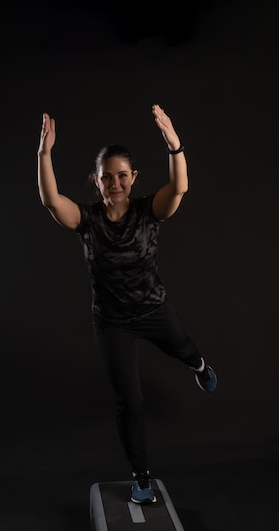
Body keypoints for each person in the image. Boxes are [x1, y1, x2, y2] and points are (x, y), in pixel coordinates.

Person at [37, 104, 217, 505]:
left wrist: (174, 144)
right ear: (96, 182)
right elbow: (52, 201)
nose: (115, 183)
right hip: (112, 323)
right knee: (129, 401)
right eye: (107, 177)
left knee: (184, 348)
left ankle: (199, 365)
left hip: (153, 310)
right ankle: (141, 476)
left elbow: (180, 188)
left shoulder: (148, 211)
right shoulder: (85, 220)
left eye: (122, 176)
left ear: (133, 178)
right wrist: (44, 154)